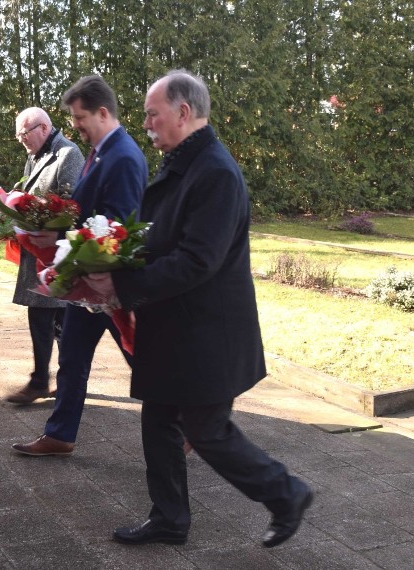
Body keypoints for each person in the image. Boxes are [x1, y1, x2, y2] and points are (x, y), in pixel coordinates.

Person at [80, 70, 312, 548]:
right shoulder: (183, 163)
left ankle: (287, 494)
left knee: (207, 430)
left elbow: (196, 261)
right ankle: (169, 518)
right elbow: (155, 237)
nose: (145, 123)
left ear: (183, 113)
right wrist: (103, 262)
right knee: (158, 422)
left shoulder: (215, 173)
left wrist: (122, 283)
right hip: (178, 327)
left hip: (207, 333)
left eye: (151, 114)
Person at [11, 76, 148, 456]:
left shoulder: (121, 155)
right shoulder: (102, 150)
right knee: (71, 356)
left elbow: (116, 227)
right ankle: (60, 434)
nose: (75, 127)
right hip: (89, 282)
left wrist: (65, 246)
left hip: (109, 285)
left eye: (79, 117)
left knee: (140, 359)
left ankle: (186, 422)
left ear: (102, 113)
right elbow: (83, 210)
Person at [5, 108, 85, 405]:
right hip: (36, 248)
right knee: (58, 320)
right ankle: (69, 381)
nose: (21, 140)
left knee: (44, 316)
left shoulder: (68, 154)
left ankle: (42, 381)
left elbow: (73, 205)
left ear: (43, 128)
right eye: (18, 135)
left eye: (24, 134)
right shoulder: (34, 155)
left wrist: (41, 218)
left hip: (55, 253)